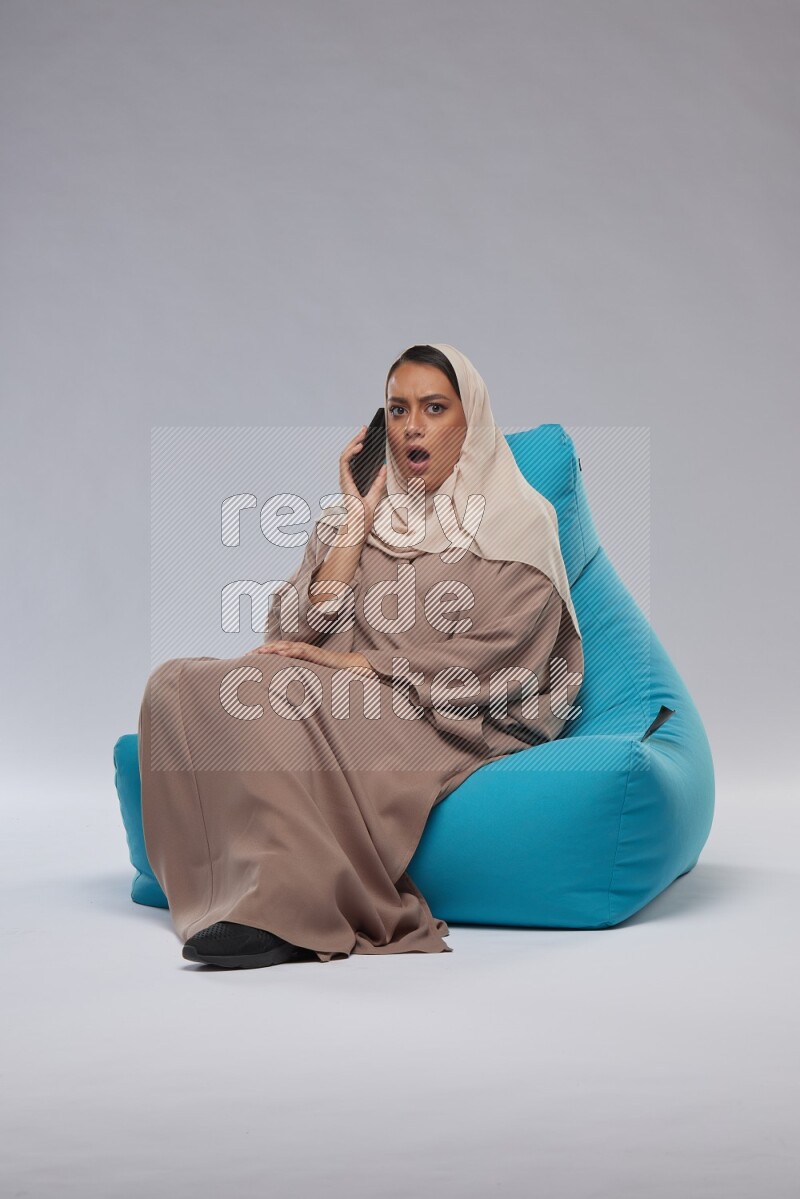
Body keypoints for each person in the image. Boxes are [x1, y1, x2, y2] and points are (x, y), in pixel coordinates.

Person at [137, 342, 585, 969]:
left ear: (471, 419)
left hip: (439, 711)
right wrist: (354, 521)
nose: (412, 427)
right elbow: (289, 629)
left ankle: (286, 913)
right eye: (397, 410)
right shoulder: (353, 519)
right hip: (336, 688)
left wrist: (361, 667)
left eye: (433, 408)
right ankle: (222, 885)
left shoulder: (518, 520)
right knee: (176, 684)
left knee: (276, 692)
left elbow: (504, 657)